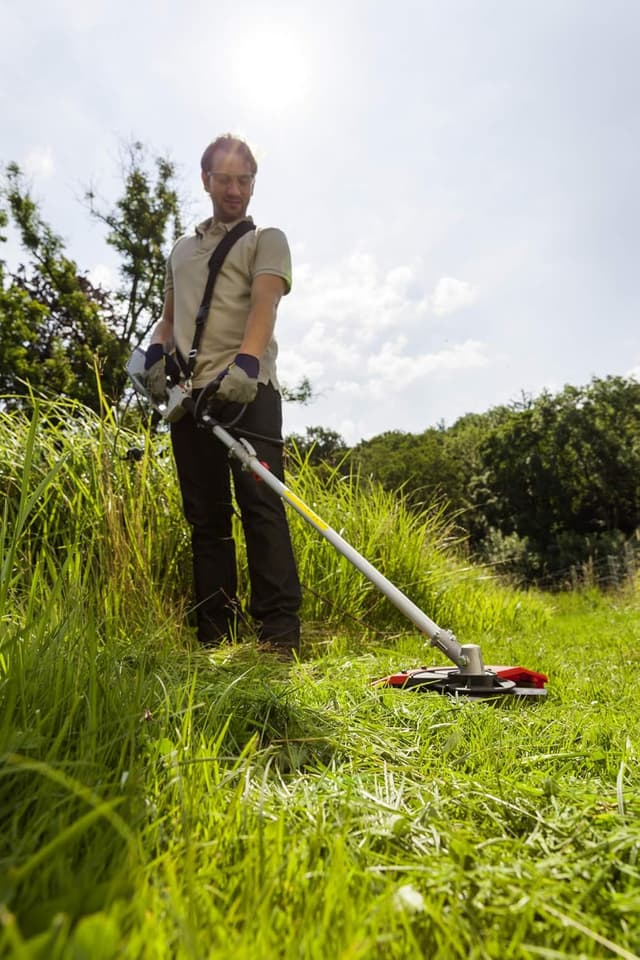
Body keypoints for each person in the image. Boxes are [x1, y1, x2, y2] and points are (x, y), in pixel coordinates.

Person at [144, 134, 301, 657]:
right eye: (225, 179)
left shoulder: (267, 239)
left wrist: (247, 363)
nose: (235, 190)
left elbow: (265, 304)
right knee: (206, 519)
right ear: (206, 180)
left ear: (253, 183)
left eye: (245, 180)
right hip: (191, 400)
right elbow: (168, 321)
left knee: (262, 506)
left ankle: (278, 636)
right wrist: (152, 356)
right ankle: (216, 635)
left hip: (247, 391)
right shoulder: (181, 252)